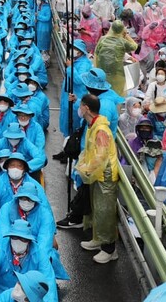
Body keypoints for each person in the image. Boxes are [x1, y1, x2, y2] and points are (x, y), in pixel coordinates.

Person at [72, 93, 120, 263]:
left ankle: (109, 249)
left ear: (86, 108)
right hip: (96, 174)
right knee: (97, 209)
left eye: (80, 105)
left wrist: (86, 168)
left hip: (104, 175)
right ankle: (98, 239)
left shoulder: (100, 129)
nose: (79, 108)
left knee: (105, 211)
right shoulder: (92, 125)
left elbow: (101, 156)